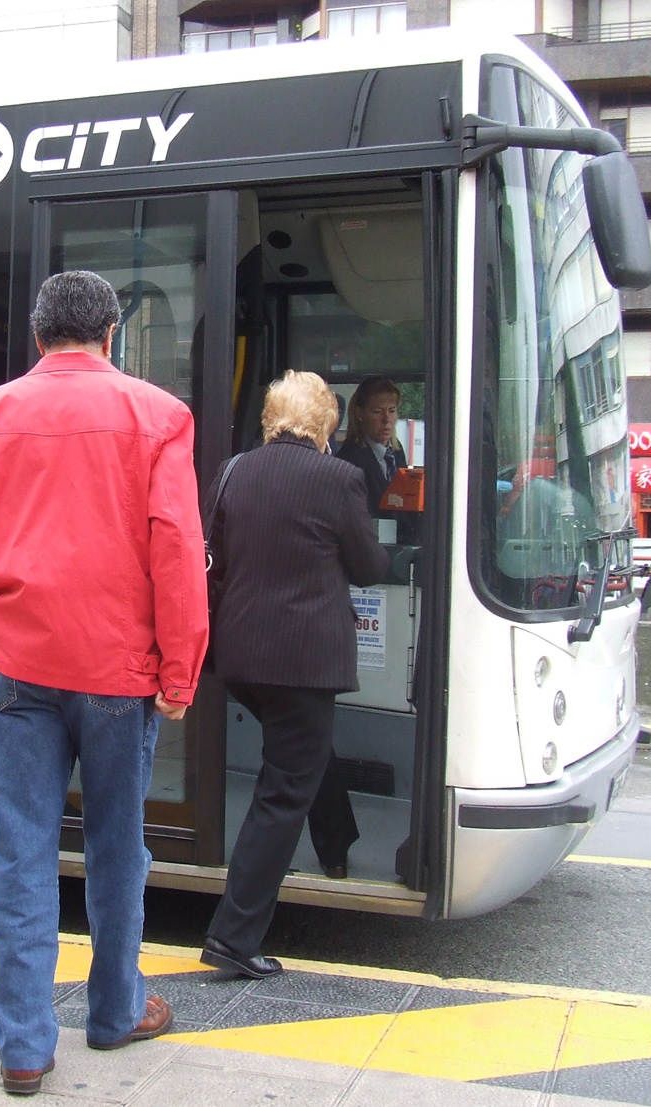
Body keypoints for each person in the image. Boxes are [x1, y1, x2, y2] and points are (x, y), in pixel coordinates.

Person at [0, 270, 208, 1097]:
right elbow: (175, 553)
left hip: (19, 671)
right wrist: (180, 668)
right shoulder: (160, 416)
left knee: (22, 850)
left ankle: (23, 1046)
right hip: (121, 673)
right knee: (118, 845)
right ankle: (115, 1010)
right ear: (111, 334)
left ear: (38, 335)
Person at [201, 370, 388, 980]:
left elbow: (214, 558)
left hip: (241, 658)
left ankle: (336, 843)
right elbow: (368, 566)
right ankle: (233, 936)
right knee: (283, 790)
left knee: (302, 755)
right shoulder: (339, 479)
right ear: (326, 424)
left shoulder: (234, 472)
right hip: (303, 663)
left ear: (271, 418)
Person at [336, 376, 412, 540]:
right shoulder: (350, 458)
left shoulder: (397, 451)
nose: (386, 420)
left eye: (392, 411)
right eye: (377, 412)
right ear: (360, 414)